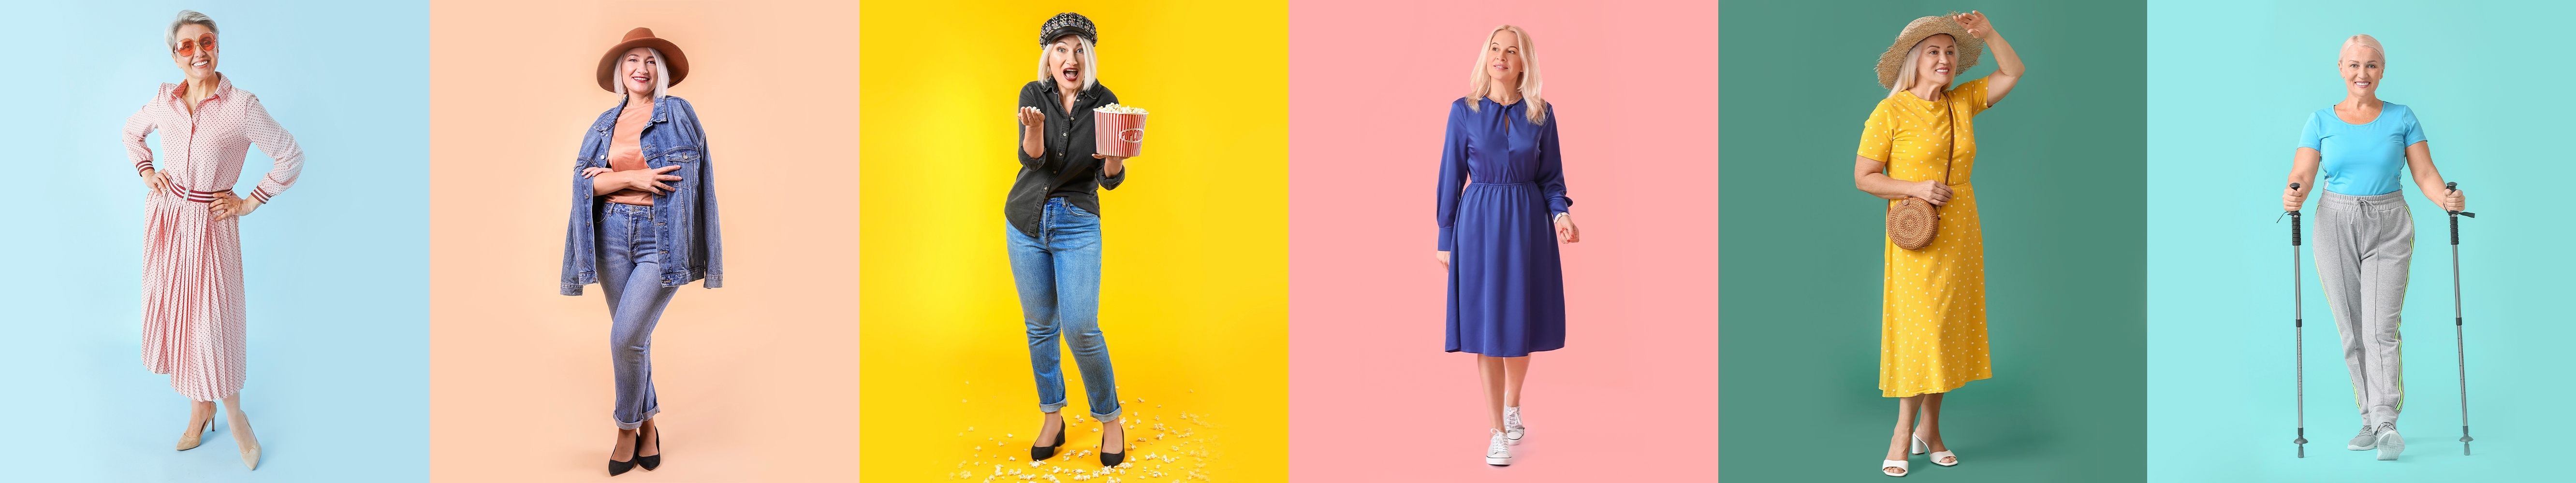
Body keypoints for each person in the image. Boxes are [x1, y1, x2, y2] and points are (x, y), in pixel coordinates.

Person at [121, 9, 307, 470]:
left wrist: (250, 201)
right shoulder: (165, 101)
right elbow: (131, 133)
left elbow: (290, 156)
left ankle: (233, 413)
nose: (199, 52)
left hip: (210, 226)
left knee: (212, 323)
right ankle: (198, 408)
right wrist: (148, 170)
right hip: (167, 223)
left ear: (218, 47)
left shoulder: (241, 107)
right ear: (175, 56)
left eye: (206, 42)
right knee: (183, 318)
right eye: (187, 46)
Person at [1846, 11, 2021, 477]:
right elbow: (1864, 178)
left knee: (1943, 331)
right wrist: (1916, 188)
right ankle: (1902, 433)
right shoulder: (1891, 111)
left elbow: (2012, 72)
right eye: (1933, 52)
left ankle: (1932, 430)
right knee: (1920, 332)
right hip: (1916, 239)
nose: (1944, 59)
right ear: (1914, 61)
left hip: (1962, 232)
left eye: (1949, 51)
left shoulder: (1961, 102)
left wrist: (1988, 35)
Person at [2277, 33, 2465, 462]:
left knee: (2380, 328)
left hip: (2389, 221)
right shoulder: (2320, 121)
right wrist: (2295, 193)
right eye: (2355, 65)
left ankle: (2385, 421)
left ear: (2382, 71)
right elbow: (2303, 172)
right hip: (2334, 222)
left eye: (2372, 65)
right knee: (2352, 328)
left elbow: (2425, 173)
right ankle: (2368, 418)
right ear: (2341, 69)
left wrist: (2446, 198)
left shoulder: (2402, 117)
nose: (2363, 74)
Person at [560, 27, 723, 476]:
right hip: (611, 233)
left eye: (651, 61)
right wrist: (631, 179)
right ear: (620, 71)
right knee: (635, 339)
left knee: (625, 337)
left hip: (662, 237)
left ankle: (626, 428)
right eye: (633, 60)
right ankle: (651, 425)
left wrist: (609, 178)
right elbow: (582, 183)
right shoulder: (603, 125)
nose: (642, 69)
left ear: (661, 71)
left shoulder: (679, 113)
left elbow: (697, 180)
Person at [1433, 23, 1581, 467]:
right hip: (1477, 224)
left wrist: (1562, 213)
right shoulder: (1464, 111)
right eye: (1495, 49)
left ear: (1523, 63)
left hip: (1528, 225)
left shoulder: (1542, 114)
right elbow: (1449, 178)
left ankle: (1513, 403)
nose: (1501, 57)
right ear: (1487, 57)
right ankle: (1497, 430)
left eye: (1511, 51)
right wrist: (1445, 235)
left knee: (1519, 327)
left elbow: (1551, 178)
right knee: (1486, 329)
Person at [1010, 12, 1137, 468]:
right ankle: (1052, 417)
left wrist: (1116, 159)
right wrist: (1036, 127)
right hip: (1026, 222)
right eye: (1062, 49)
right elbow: (1032, 160)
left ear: (1090, 57)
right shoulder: (1033, 96)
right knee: (1040, 327)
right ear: (1050, 58)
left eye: (1079, 49)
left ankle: (1110, 420)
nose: (1072, 58)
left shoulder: (1107, 104)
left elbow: (1109, 181)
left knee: (1081, 326)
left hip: (1077, 223)